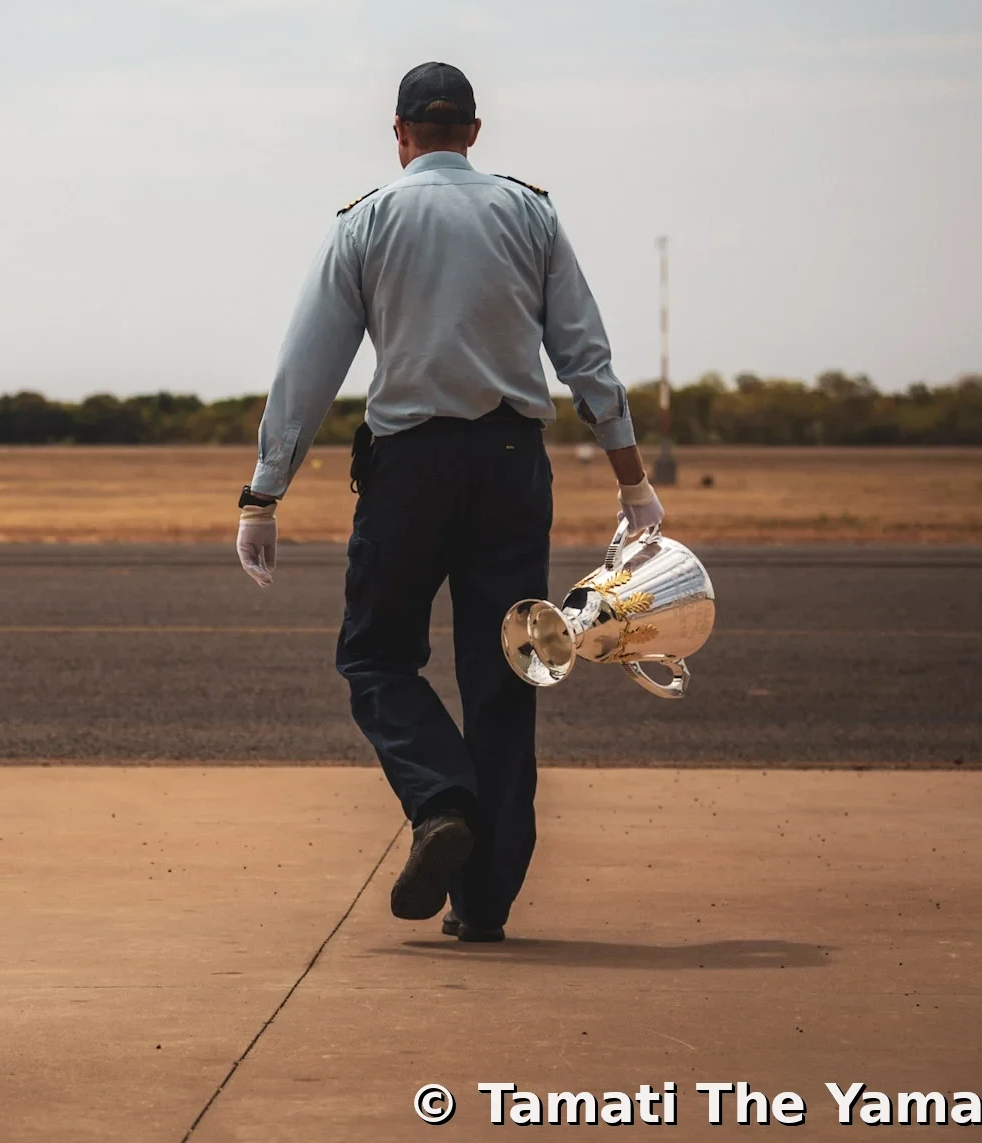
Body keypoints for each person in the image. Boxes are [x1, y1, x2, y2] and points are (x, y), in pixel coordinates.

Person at [234, 61, 663, 943]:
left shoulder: (367, 222)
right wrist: (633, 479)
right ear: (473, 130)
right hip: (512, 465)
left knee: (377, 656)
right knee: (507, 668)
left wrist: (263, 493)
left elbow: (307, 368)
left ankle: (440, 799)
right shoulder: (530, 212)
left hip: (410, 470)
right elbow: (587, 354)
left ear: (399, 134)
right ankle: (486, 903)